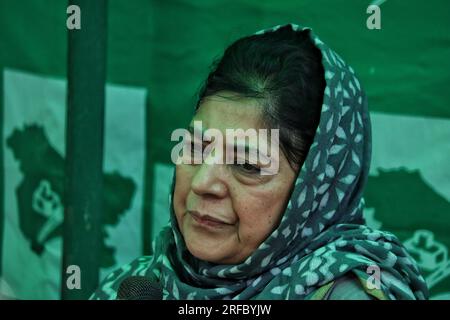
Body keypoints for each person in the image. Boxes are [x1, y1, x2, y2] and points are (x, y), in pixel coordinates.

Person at [91, 24, 428, 300]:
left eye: (248, 166)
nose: (202, 183)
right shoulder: (142, 284)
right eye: (195, 148)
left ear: (311, 194)